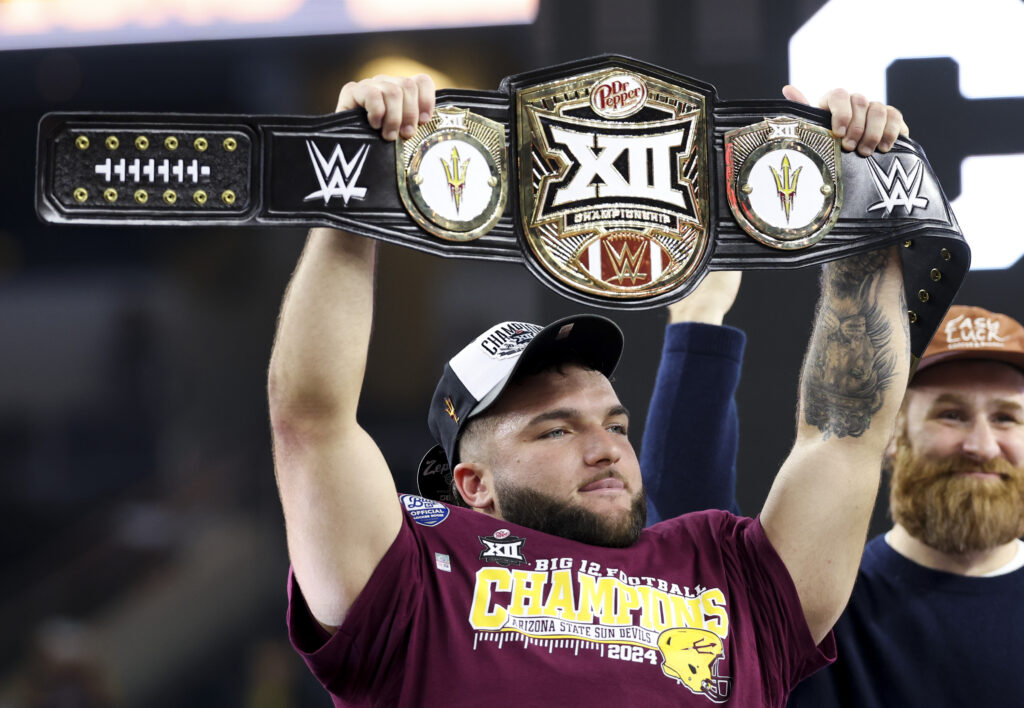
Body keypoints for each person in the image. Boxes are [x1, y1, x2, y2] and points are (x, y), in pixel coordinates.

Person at [266, 74, 910, 707]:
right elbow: (313, 419)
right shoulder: (412, 579)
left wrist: (860, 194)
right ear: (472, 484)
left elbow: (845, 434)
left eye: (616, 425)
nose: (606, 449)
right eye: (556, 428)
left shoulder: (725, 568)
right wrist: (353, 184)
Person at [643, 284, 1024, 706]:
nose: (983, 445)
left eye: (1007, 418)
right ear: (892, 432)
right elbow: (691, 543)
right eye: (951, 414)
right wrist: (701, 315)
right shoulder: (819, 602)